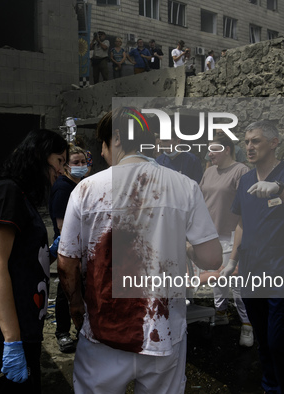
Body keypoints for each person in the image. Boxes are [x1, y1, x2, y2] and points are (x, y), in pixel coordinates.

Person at [58, 108, 222, 393]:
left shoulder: (86, 190)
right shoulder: (184, 186)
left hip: (103, 334)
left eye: (103, 144)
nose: (104, 152)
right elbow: (212, 258)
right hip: (164, 332)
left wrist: (75, 303)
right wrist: (183, 247)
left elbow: (66, 262)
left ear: (117, 138)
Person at [0, 129, 68, 393]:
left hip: (22, 327)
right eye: (59, 160)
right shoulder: (7, 194)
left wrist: (47, 253)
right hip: (5, 333)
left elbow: (18, 260)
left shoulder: (20, 196)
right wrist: (13, 342)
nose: (62, 170)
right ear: (39, 157)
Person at [224, 120, 284, 393]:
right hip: (252, 271)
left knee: (279, 342)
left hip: (283, 272)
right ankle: (270, 387)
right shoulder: (245, 180)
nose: (249, 147)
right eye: (246, 142)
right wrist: (232, 261)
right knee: (264, 341)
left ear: (274, 142)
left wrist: (280, 189)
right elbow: (241, 223)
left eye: (256, 141)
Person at [197, 134, 252, 347]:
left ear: (227, 149)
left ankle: (247, 324)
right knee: (216, 277)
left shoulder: (241, 171)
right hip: (210, 234)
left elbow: (246, 207)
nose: (209, 154)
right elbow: (202, 198)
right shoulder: (209, 171)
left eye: (214, 149)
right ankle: (221, 313)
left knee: (236, 281)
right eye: (209, 150)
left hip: (232, 233)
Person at [48, 145, 88, 354]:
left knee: (81, 290)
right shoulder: (63, 188)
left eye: (83, 162)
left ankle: (82, 329)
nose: (81, 166)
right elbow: (63, 226)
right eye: (76, 162)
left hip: (82, 245)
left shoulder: (81, 185)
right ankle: (62, 333)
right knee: (67, 291)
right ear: (65, 167)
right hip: (68, 246)